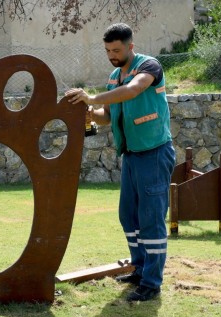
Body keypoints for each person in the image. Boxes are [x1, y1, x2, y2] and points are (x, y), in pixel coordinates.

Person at [66, 23, 176, 302]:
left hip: (154, 152)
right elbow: (108, 114)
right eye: (107, 51)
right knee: (129, 216)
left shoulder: (149, 66)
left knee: (151, 219)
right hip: (130, 155)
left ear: (130, 46)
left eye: (116, 50)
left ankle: (152, 282)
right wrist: (91, 113)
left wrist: (93, 97)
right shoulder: (114, 76)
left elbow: (133, 91)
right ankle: (139, 269)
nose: (112, 55)